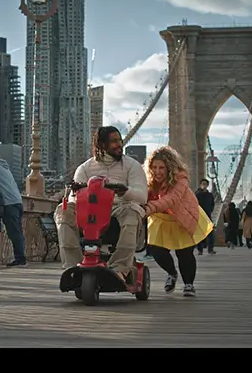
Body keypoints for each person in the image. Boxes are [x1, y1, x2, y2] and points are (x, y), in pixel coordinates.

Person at [53, 126, 149, 283]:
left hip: (120, 208)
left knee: (133, 211)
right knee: (63, 211)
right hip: (91, 211)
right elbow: (73, 198)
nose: (120, 144)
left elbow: (142, 197)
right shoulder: (84, 169)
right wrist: (78, 195)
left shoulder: (132, 166)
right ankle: (74, 267)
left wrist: (124, 191)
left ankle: (120, 269)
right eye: (114, 141)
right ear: (102, 145)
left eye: (120, 140)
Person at [143, 146, 214, 297]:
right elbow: (143, 195)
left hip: (182, 217)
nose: (157, 171)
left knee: (185, 253)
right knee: (157, 251)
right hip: (161, 219)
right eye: (154, 167)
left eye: (162, 167)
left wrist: (148, 209)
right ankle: (172, 273)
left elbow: (172, 199)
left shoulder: (180, 179)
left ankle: (189, 284)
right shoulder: (149, 181)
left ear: (169, 168)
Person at [194, 178, 216, 255]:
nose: (204, 185)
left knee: (211, 233)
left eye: (205, 184)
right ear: (200, 185)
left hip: (208, 216)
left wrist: (210, 210)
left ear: (207, 185)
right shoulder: (197, 195)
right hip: (199, 216)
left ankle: (210, 249)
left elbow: (212, 204)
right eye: (202, 184)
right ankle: (200, 250)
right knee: (199, 234)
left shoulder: (210, 195)